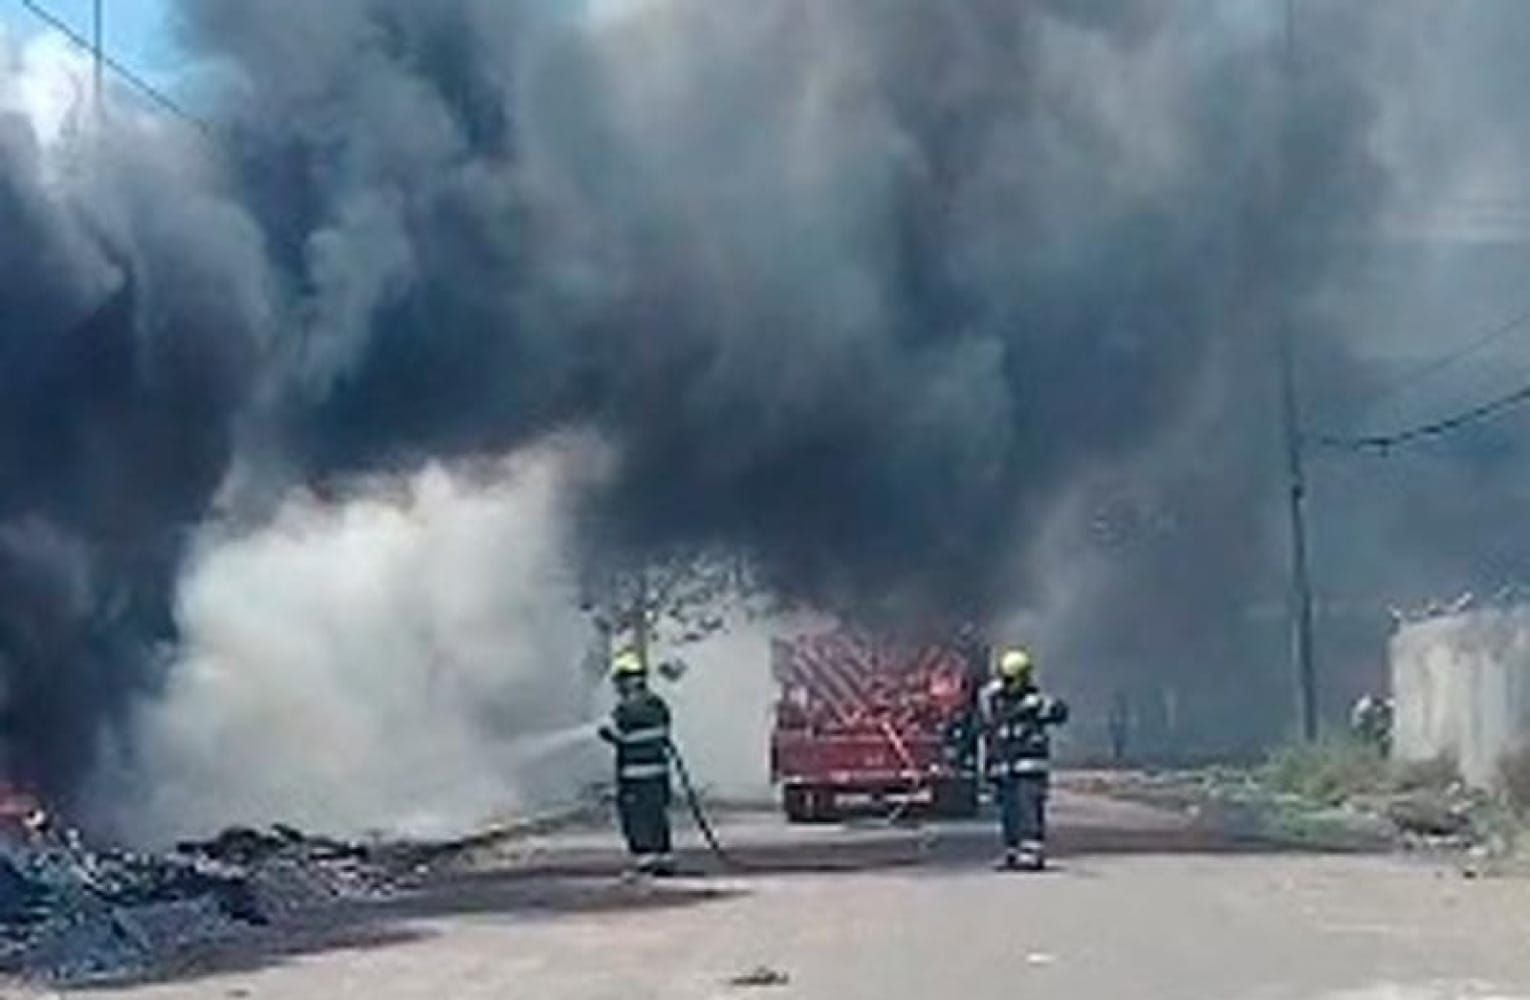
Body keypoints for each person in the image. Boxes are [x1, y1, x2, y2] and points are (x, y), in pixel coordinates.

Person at [982, 647, 1069, 871]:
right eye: (1004, 678)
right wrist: (990, 767)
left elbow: (1060, 712)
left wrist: (1040, 707)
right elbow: (990, 735)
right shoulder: (996, 703)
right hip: (1006, 769)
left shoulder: (1035, 702)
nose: (1006, 683)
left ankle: (1032, 854)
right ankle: (1012, 853)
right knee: (1009, 815)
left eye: (1010, 679)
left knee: (1029, 812)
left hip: (1030, 770)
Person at [598, 650, 676, 876]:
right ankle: (664, 857)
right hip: (659, 775)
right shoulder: (657, 704)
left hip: (634, 777)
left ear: (625, 679)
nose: (617, 686)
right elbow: (661, 735)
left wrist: (606, 734)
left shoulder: (625, 709)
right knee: (657, 817)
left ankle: (646, 861)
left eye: (619, 680)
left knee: (636, 819)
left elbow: (619, 736)